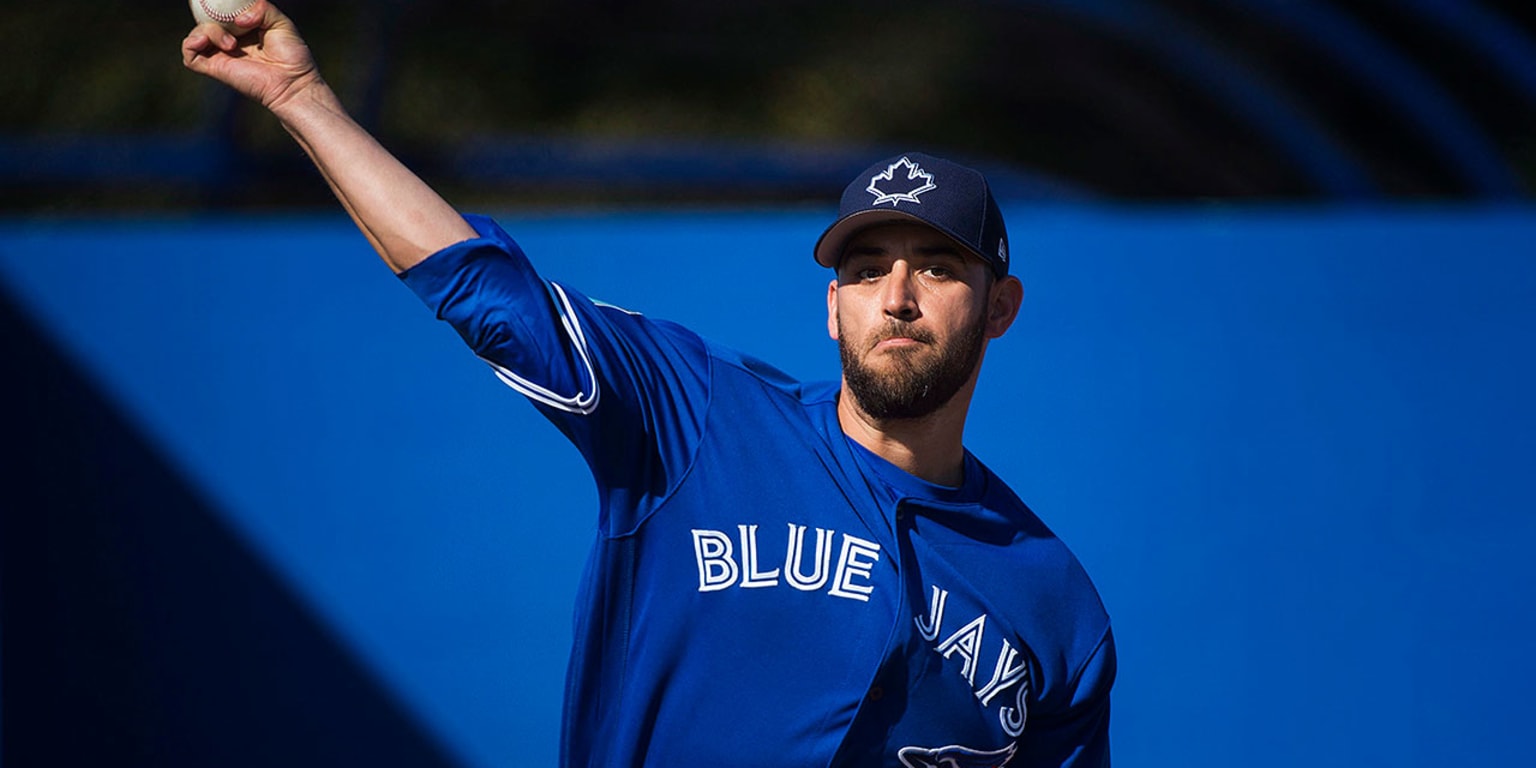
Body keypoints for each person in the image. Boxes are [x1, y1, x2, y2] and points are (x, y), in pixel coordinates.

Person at [183, 3, 1115, 766]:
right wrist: (304, 98)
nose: (898, 297)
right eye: (866, 269)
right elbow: (487, 290)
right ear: (833, 309)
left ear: (1000, 308)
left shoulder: (1055, 604)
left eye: (939, 267)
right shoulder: (700, 417)